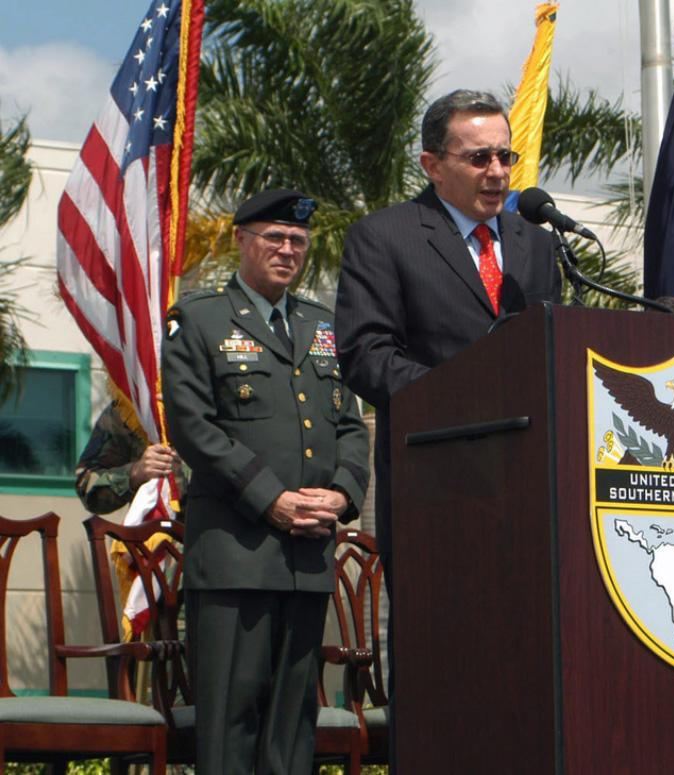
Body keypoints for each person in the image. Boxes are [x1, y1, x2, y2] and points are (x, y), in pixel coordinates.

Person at [162, 189, 370, 774]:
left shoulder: (322, 325)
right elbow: (194, 429)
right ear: (241, 241)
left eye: (297, 241)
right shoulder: (198, 319)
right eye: (273, 238)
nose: (287, 250)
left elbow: (351, 425)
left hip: (307, 557)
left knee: (292, 724)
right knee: (230, 719)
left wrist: (344, 494)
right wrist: (270, 498)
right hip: (236, 554)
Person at [335, 89, 561, 567]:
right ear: (432, 165)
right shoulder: (385, 237)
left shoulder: (538, 246)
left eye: (505, 155)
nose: (498, 172)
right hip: (433, 483)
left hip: (531, 485)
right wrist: (464, 390)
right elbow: (365, 356)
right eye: (479, 158)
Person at [75, 400, 186, 515]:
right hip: (154, 527)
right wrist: (133, 474)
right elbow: (89, 489)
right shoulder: (130, 406)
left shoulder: (203, 403)